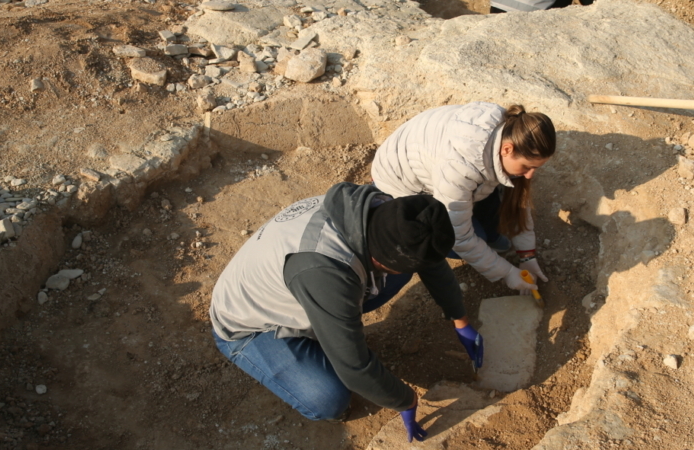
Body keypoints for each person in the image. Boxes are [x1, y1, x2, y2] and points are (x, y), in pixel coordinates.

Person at [209, 182, 484, 443]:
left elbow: (428, 258)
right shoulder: (326, 272)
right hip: (252, 327)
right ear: (381, 259)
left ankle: (332, 327)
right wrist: (405, 400)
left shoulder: (378, 210)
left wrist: (459, 318)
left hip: (303, 288)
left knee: (400, 273)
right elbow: (355, 368)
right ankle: (308, 348)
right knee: (327, 399)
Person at [371, 102, 556, 295]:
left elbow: (518, 198)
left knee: (491, 217)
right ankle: (488, 239)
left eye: (536, 167)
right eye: (527, 167)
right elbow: (459, 235)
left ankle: (492, 237)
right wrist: (507, 272)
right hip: (400, 183)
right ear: (507, 150)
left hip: (437, 168)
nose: (530, 175)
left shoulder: (511, 130)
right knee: (463, 239)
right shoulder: (459, 168)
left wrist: (527, 255)